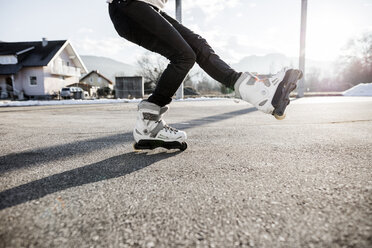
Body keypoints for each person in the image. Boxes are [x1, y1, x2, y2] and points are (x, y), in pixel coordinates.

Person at [107, 0, 302, 150]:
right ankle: (148, 122)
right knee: (184, 56)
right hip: (128, 6)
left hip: (147, 7)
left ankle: (256, 91)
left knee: (198, 45)